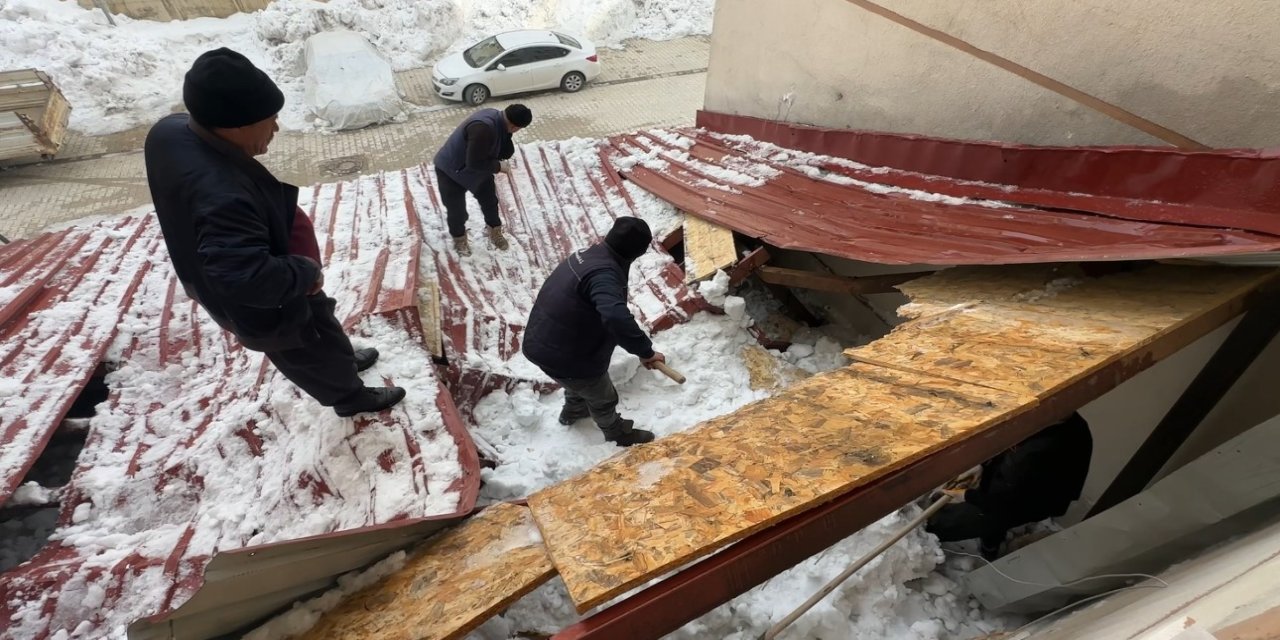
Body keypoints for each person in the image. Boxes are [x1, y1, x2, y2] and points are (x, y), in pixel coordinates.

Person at [143, 48, 406, 418]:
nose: (276, 128)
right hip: (264, 299)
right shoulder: (221, 194)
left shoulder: (170, 131)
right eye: (270, 119)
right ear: (234, 124)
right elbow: (245, 279)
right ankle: (350, 397)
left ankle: (344, 362)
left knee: (322, 324)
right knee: (305, 346)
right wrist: (305, 272)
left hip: (267, 264)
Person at [522, 217, 665, 447]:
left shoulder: (588, 255)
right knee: (603, 397)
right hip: (563, 353)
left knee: (576, 382)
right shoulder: (605, 274)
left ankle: (574, 410)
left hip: (540, 340)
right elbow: (615, 317)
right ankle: (618, 435)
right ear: (637, 253)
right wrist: (645, 352)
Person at [927, 412, 1093, 559]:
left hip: (1022, 501)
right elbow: (1007, 443)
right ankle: (991, 543)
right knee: (994, 518)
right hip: (1011, 485)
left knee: (941, 524)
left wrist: (966, 496)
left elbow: (1007, 501)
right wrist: (983, 464)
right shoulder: (1054, 421)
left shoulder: (1043, 451)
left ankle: (988, 546)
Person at [432, 104, 532, 256]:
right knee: (457, 211)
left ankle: (495, 230)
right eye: (517, 129)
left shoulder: (499, 120)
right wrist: (499, 166)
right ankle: (460, 239)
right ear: (513, 125)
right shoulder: (483, 128)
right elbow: (475, 162)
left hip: (477, 169)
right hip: (451, 170)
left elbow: (485, 155)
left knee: (490, 201)